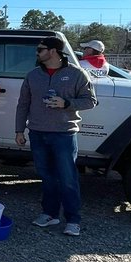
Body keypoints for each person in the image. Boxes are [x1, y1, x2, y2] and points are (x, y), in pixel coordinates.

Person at [14, 36, 97, 237]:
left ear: (53, 51)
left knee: (67, 178)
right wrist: (19, 130)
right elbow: (23, 104)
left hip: (64, 134)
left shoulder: (77, 74)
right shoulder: (33, 75)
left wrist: (66, 103)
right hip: (37, 133)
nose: (37, 53)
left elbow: (91, 101)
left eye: (40, 50)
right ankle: (50, 213)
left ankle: (73, 220)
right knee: (46, 176)